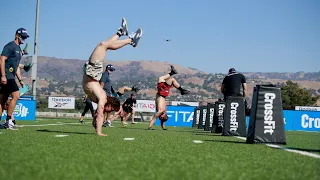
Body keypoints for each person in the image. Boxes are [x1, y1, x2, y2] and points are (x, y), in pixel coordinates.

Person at [82, 18, 142, 136]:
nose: (96, 116)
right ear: (108, 105)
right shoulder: (102, 99)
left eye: (93, 120)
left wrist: (97, 127)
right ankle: (130, 39)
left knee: (104, 45)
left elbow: (98, 114)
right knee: (103, 45)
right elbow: (100, 114)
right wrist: (99, 131)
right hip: (93, 72)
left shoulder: (99, 99)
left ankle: (121, 33)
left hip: (91, 72)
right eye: (108, 109)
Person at [0, 28, 30, 130]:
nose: (24, 39)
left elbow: (16, 67)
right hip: (7, 76)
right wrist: (3, 76)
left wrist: (20, 80)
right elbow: (2, 59)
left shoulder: (18, 49)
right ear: (17, 35)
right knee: (16, 95)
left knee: (3, 99)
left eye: (25, 37)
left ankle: (4, 121)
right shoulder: (10, 46)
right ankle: (8, 120)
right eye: (23, 37)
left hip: (10, 76)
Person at [148, 65, 190, 130]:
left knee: (161, 78)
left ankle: (172, 73)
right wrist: (163, 127)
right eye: (162, 116)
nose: (161, 116)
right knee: (171, 79)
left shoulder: (160, 112)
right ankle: (182, 90)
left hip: (161, 93)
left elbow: (155, 118)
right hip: (162, 93)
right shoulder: (163, 111)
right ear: (165, 115)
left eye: (161, 117)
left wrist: (150, 127)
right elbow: (161, 120)